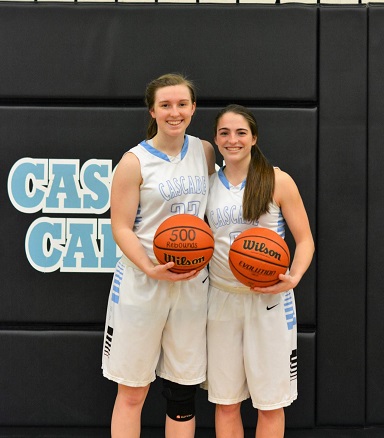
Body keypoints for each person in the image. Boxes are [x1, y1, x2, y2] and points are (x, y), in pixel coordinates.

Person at [101, 73, 215, 438]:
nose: (174, 112)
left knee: (182, 394)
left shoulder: (205, 151)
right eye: (165, 105)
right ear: (152, 110)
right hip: (142, 284)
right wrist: (151, 267)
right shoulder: (133, 162)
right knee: (133, 391)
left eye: (182, 104)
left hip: (191, 284)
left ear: (193, 108)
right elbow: (120, 227)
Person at [205, 104, 314, 438]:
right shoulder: (208, 185)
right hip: (221, 299)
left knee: (270, 404)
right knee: (226, 403)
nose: (232, 140)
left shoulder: (277, 180)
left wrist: (292, 278)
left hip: (269, 302)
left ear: (254, 138)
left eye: (241, 133)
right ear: (216, 139)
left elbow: (305, 240)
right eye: (224, 133)